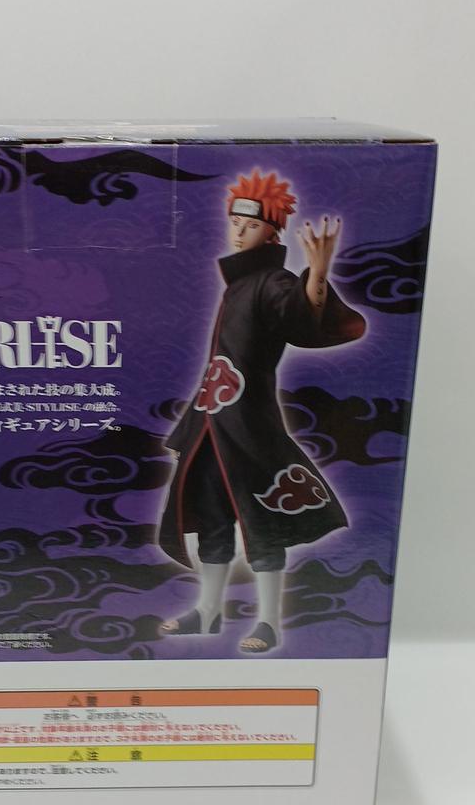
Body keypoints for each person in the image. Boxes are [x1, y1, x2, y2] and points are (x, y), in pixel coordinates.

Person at [157, 169, 366, 653]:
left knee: (262, 523)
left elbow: (300, 316)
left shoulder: (272, 281)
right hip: (212, 424)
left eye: (250, 225)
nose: (238, 231)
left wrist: (317, 273)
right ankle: (208, 611)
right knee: (212, 520)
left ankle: (268, 621)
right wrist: (190, 428)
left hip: (251, 427)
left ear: (271, 233)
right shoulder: (238, 283)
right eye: (235, 221)